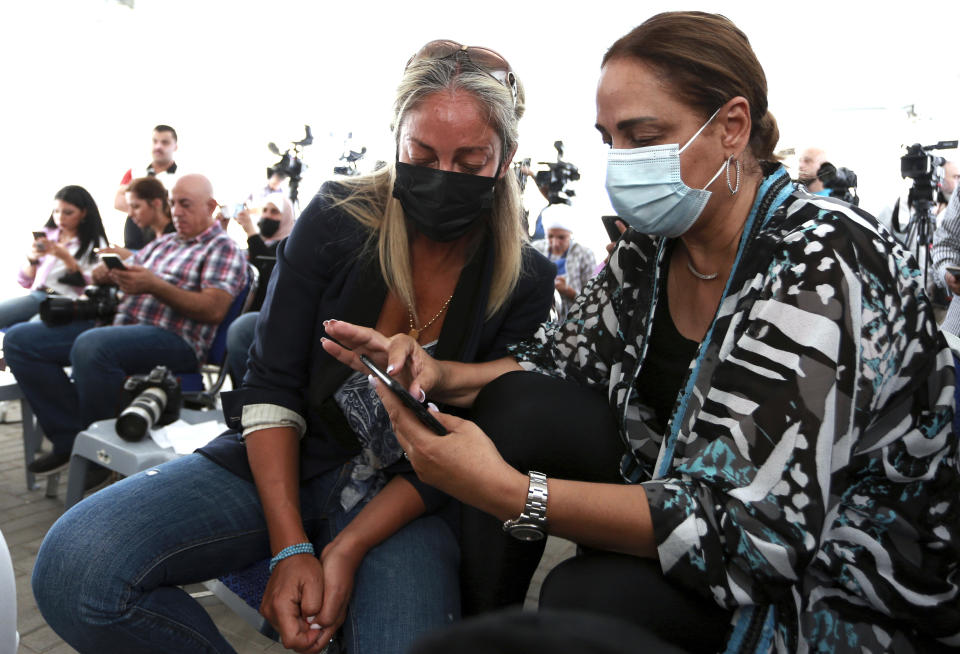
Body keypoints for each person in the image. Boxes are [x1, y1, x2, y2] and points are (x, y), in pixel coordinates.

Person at [323, 12, 960, 653]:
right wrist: (437, 372)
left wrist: (507, 491)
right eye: (609, 141)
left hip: (828, 578)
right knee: (515, 405)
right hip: (682, 494)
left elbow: (752, 532)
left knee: (585, 598)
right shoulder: (653, 248)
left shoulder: (823, 259)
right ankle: (489, 631)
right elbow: (556, 367)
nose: (620, 165)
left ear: (732, 128)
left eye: (644, 137)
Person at [30, 41, 554, 654]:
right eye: (422, 154)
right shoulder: (338, 218)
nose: (444, 177)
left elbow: (471, 450)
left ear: (508, 158)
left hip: (405, 502)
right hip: (280, 460)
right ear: (396, 141)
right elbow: (272, 382)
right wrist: (291, 546)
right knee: (75, 567)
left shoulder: (523, 280)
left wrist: (348, 546)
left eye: (471, 161)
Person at [4, 174, 246, 487]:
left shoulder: (223, 248)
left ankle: (94, 451)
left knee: (93, 346)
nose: (176, 212)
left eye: (185, 205)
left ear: (211, 206)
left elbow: (212, 309)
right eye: (173, 204)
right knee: (20, 340)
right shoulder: (166, 242)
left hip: (175, 340)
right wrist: (107, 275)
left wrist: (154, 285)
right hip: (120, 325)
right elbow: (130, 273)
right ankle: (73, 438)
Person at [0, 186, 108, 328]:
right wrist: (32, 259)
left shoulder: (95, 243)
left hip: (66, 300)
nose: (60, 217)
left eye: (68, 212)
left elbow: (91, 285)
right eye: (56, 211)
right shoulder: (48, 234)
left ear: (83, 213)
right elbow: (24, 280)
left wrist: (67, 259)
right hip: (38, 295)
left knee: (26, 331)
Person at [224, 192, 296, 386]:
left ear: (287, 217)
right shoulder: (255, 245)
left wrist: (250, 231)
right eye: (264, 211)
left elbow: (266, 270)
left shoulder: (291, 247)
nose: (267, 216)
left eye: (274, 212)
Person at [113, 124, 180, 249]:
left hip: (165, 244)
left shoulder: (182, 177)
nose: (158, 146)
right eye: (155, 141)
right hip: (132, 242)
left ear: (175, 146)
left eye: (165, 142)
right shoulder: (134, 171)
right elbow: (118, 202)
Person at [530, 205, 597, 319]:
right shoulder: (536, 249)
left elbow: (593, 300)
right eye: (550, 236)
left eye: (561, 237)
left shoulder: (584, 255)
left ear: (571, 235)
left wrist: (569, 291)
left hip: (573, 321)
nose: (555, 243)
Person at [98, 176, 176, 262]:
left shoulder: (176, 233)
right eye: (129, 207)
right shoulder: (148, 230)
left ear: (156, 203)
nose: (130, 214)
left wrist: (130, 256)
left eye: (136, 207)